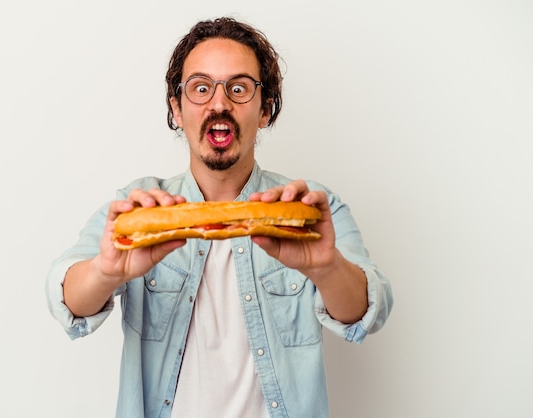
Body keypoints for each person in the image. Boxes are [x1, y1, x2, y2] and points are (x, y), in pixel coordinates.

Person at [46, 17, 393, 418]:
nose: (219, 103)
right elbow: (66, 297)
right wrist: (107, 271)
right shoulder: (139, 208)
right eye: (200, 88)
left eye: (239, 88)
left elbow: (369, 311)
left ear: (265, 110)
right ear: (176, 108)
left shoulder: (311, 209)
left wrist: (327, 267)